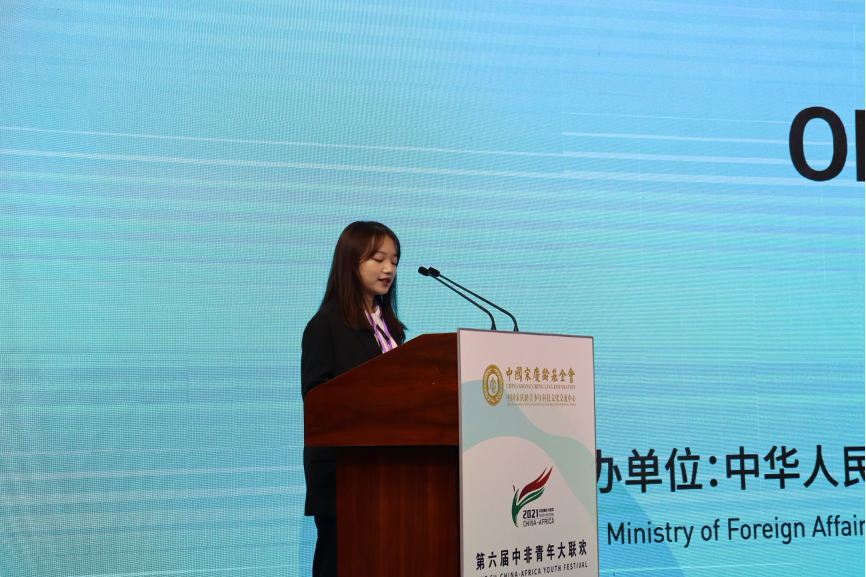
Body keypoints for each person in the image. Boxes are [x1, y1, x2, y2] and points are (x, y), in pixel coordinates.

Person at [300, 221, 407, 577]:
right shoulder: (325, 325)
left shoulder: (392, 329)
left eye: (394, 260)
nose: (389, 268)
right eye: (378, 259)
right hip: (344, 476)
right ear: (351, 261)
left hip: (391, 472)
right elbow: (317, 402)